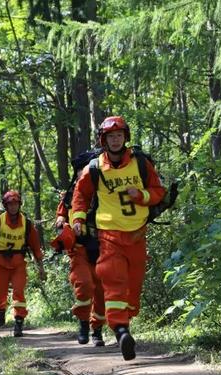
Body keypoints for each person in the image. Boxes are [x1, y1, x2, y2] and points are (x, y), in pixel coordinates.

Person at [71, 116, 166, 360]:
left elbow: (158, 193)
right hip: (109, 235)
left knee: (133, 288)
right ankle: (120, 330)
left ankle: (125, 321)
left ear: (126, 138)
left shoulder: (141, 164)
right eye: (111, 136)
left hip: (137, 234)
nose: (115, 140)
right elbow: (80, 196)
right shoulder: (94, 168)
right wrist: (78, 220)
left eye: (119, 136)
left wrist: (141, 194)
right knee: (113, 280)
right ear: (103, 140)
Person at [53, 151, 106, 346]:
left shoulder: (105, 190)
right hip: (79, 248)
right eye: (80, 171)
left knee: (101, 292)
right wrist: (61, 222)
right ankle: (83, 322)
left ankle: (97, 329)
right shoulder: (70, 193)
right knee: (83, 285)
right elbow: (61, 213)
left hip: (103, 247)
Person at [0, 190, 46, 337]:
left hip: (18, 263)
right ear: (6, 205)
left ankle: (18, 322)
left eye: (16, 203)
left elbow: (35, 246)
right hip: (0, 262)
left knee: (19, 291)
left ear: (19, 204)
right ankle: (1, 311)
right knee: (0, 292)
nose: (13, 207)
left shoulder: (27, 224)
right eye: (10, 204)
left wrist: (40, 267)